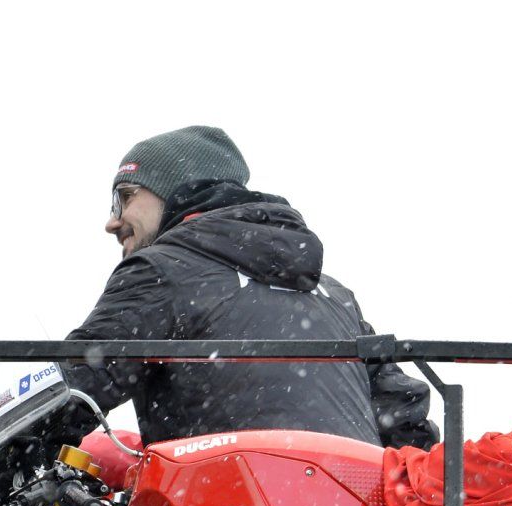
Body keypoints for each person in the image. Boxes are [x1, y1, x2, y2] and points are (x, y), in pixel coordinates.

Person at [66, 125, 434, 448]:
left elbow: (73, 390)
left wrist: (14, 456)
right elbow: (404, 421)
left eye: (125, 197)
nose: (113, 222)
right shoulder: (335, 297)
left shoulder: (163, 270)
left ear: (176, 190)